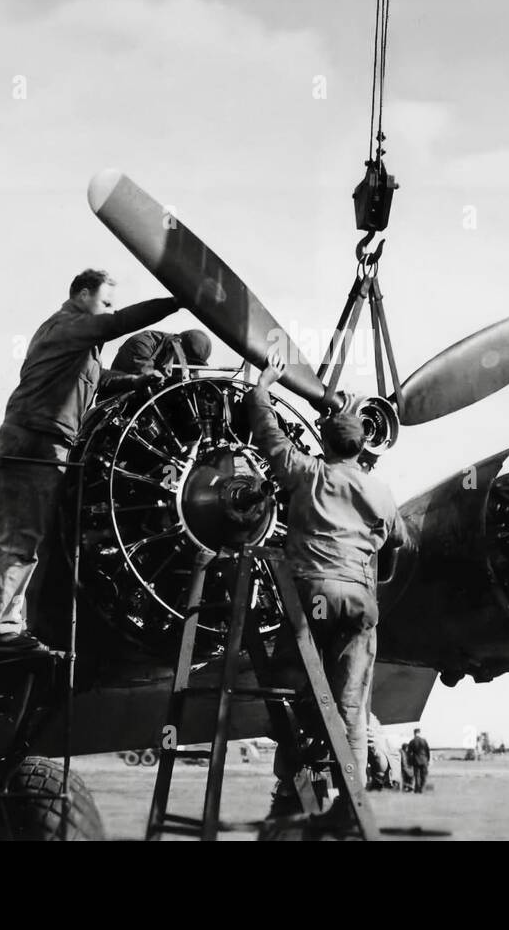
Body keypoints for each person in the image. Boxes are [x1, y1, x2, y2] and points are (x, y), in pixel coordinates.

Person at [247, 349, 406, 821]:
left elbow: (268, 434)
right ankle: (349, 805)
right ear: (363, 448)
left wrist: (263, 386)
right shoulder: (380, 492)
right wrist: (380, 567)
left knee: (291, 686)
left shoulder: (309, 473)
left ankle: (293, 779)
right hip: (360, 602)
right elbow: (401, 540)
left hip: (312, 596)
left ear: (324, 442)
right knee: (352, 705)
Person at [0, 269, 178, 650]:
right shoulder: (67, 325)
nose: (110, 310)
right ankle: (1, 628)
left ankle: (14, 625)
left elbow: (95, 379)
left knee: (30, 540)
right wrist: (178, 301)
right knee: (19, 539)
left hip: (47, 444)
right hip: (34, 444)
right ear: (82, 294)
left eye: (111, 305)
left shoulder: (76, 344)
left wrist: (134, 382)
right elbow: (119, 324)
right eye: (105, 302)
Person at [96, 328, 212, 396]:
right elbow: (148, 385)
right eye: (184, 361)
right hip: (118, 406)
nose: (185, 369)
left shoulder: (187, 366)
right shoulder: (142, 343)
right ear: (176, 345)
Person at [407, 728, 431, 793]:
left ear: (414, 733)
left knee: (417, 775)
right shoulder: (424, 741)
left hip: (416, 760)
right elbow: (427, 751)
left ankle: (417, 789)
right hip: (424, 760)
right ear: (419, 733)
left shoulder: (412, 741)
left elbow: (409, 753)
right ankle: (422, 788)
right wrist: (428, 760)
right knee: (424, 775)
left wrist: (409, 762)